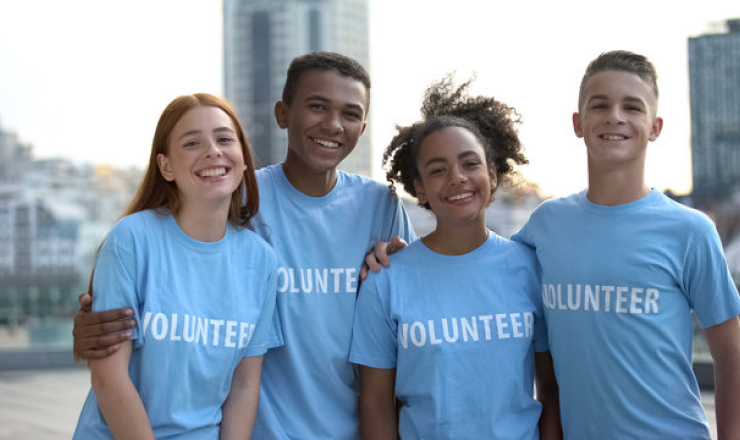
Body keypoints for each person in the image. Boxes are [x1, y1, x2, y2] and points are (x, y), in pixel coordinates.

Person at [72, 52, 416, 439]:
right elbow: (171, 260)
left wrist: (414, 268)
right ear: (282, 113)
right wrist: (92, 327)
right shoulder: (237, 195)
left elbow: (413, 315)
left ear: (364, 126)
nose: (333, 124)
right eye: (317, 106)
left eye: (350, 114)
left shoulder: (381, 206)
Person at [512, 50, 740, 439]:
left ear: (655, 127)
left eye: (632, 107)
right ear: (578, 123)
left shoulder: (690, 230)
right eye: (600, 105)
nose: (615, 116)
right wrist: (401, 253)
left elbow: (731, 355)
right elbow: (479, 264)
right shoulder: (546, 225)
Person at [350, 77, 561, 439]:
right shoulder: (385, 280)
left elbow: (552, 389)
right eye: (437, 169)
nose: (457, 178)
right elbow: (375, 404)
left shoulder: (530, 269)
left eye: (470, 164)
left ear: (492, 175)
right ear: (419, 187)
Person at [72, 93, 282, 439]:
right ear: (166, 166)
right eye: (192, 142)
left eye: (224, 138)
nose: (213, 150)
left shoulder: (261, 260)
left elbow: (245, 384)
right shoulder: (131, 241)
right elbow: (109, 378)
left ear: (243, 159)